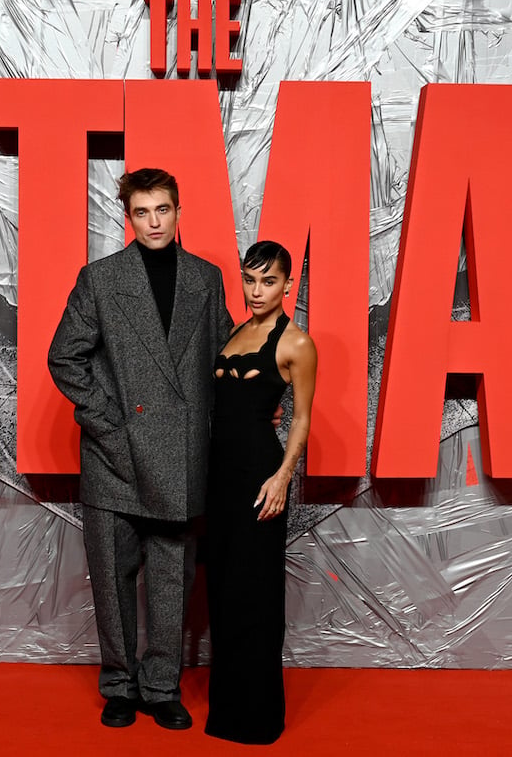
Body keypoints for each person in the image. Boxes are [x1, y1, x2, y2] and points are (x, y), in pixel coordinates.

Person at [48, 168, 234, 730]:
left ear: (179, 212)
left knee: (172, 576)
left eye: (163, 210)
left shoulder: (206, 279)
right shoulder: (101, 279)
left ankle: (161, 687)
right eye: (141, 212)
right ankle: (119, 685)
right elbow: (64, 357)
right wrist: (108, 425)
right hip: (115, 455)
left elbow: (223, 356)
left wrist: (267, 392)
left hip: (180, 455)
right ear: (127, 217)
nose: (153, 222)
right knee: (112, 575)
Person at [204, 240, 318, 745]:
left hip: (259, 476)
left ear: (287, 285)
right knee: (223, 590)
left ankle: (257, 717)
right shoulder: (233, 332)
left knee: (255, 591)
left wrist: (283, 476)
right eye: (250, 280)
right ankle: (226, 706)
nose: (257, 290)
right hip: (219, 477)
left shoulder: (296, 343)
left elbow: (301, 418)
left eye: (268, 281)